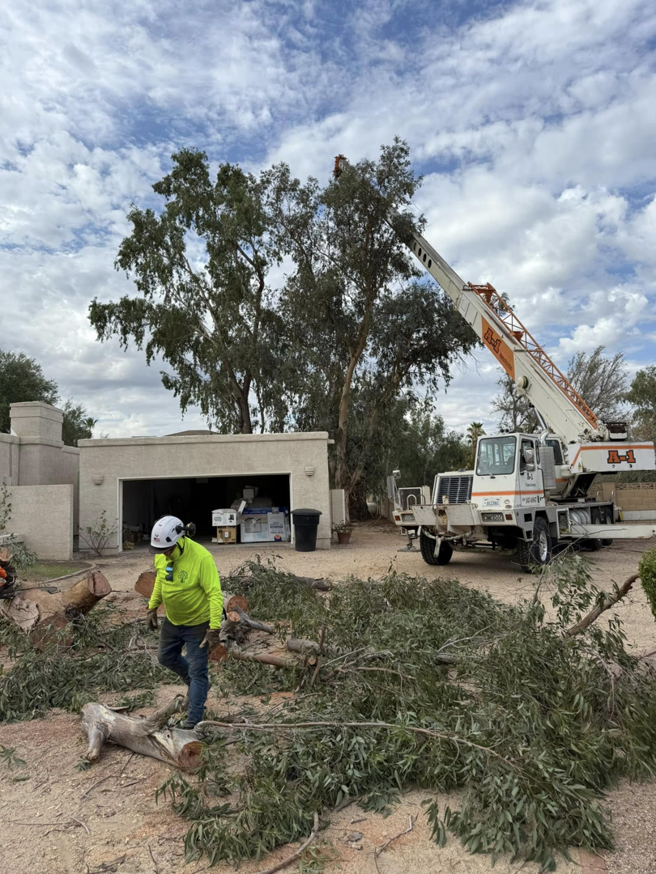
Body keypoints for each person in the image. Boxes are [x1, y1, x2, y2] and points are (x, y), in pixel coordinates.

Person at [146, 515, 223, 729]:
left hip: (198, 624)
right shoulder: (162, 555)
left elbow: (215, 594)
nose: (164, 554)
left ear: (180, 539)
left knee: (198, 670)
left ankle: (194, 722)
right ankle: (198, 685)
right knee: (165, 657)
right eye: (160, 551)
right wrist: (152, 607)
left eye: (167, 550)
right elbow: (161, 580)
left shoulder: (201, 558)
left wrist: (214, 628)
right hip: (173, 621)